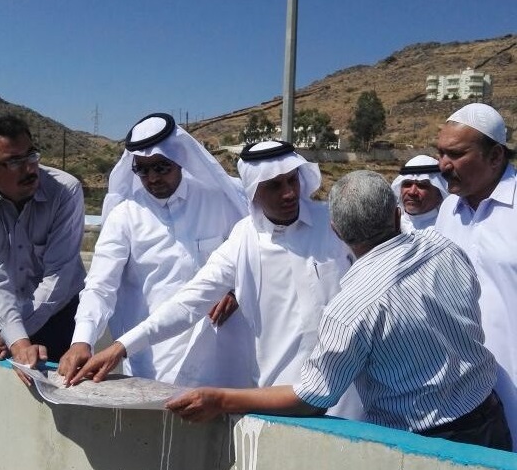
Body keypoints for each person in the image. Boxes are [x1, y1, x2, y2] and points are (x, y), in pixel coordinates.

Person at [166, 170, 511, 451]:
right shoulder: (443, 246)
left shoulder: (352, 309)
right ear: (396, 215)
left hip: (426, 444)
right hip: (489, 417)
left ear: (336, 231)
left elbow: (311, 398)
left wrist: (221, 399)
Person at [63, 140, 362, 419]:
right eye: (274, 185)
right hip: (279, 394)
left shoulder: (335, 224)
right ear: (254, 191)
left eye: (292, 180)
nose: (289, 194)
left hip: (349, 391)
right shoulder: (243, 239)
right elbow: (187, 303)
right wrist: (121, 346)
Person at [59, 113, 253, 387]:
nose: (152, 178)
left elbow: (249, 255)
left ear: (179, 159)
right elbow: (100, 285)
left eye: (161, 167)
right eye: (142, 169)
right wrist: (82, 339)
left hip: (217, 350)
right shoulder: (124, 216)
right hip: (154, 358)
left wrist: (234, 290)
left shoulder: (218, 201)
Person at [0, 114, 85, 370]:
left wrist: (12, 337)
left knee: (61, 385)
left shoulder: (65, 191)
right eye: (14, 162)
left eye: (31, 156)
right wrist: (16, 338)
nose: (30, 169)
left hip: (59, 311)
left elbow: (59, 274)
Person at [435, 102, 517, 450]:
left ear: (495, 156)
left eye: (456, 154)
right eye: (440, 153)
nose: (443, 165)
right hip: (463, 397)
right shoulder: (447, 209)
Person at [390, 155, 448, 231]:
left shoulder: (446, 229)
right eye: (407, 184)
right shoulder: (388, 226)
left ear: (439, 194)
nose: (412, 192)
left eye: (421, 185)